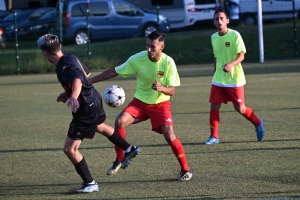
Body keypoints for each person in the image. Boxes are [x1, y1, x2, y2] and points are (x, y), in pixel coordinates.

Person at [37, 34, 140, 193]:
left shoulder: (64, 66)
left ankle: (90, 183)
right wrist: (69, 92)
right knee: (100, 126)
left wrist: (73, 95)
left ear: (45, 53)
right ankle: (128, 149)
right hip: (94, 98)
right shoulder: (70, 57)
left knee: (69, 149)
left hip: (85, 108)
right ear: (60, 46)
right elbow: (86, 73)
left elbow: (78, 79)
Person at [89, 31, 194, 181]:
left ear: (162, 47)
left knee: (169, 135)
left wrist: (162, 88)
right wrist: (90, 81)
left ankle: (185, 170)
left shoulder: (168, 62)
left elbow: (172, 90)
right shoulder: (138, 59)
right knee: (120, 122)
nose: (149, 49)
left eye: (153, 47)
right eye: (147, 46)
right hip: (140, 103)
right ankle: (120, 158)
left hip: (161, 104)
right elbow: (115, 71)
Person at [204, 8, 265, 145]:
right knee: (214, 105)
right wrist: (215, 72)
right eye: (216, 19)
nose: (219, 21)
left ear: (227, 21)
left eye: (221, 18)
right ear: (214, 22)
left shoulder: (235, 35)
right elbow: (216, 57)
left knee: (240, 108)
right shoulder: (213, 37)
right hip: (219, 78)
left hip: (234, 79)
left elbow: (241, 55)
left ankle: (258, 122)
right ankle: (214, 136)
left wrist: (231, 65)